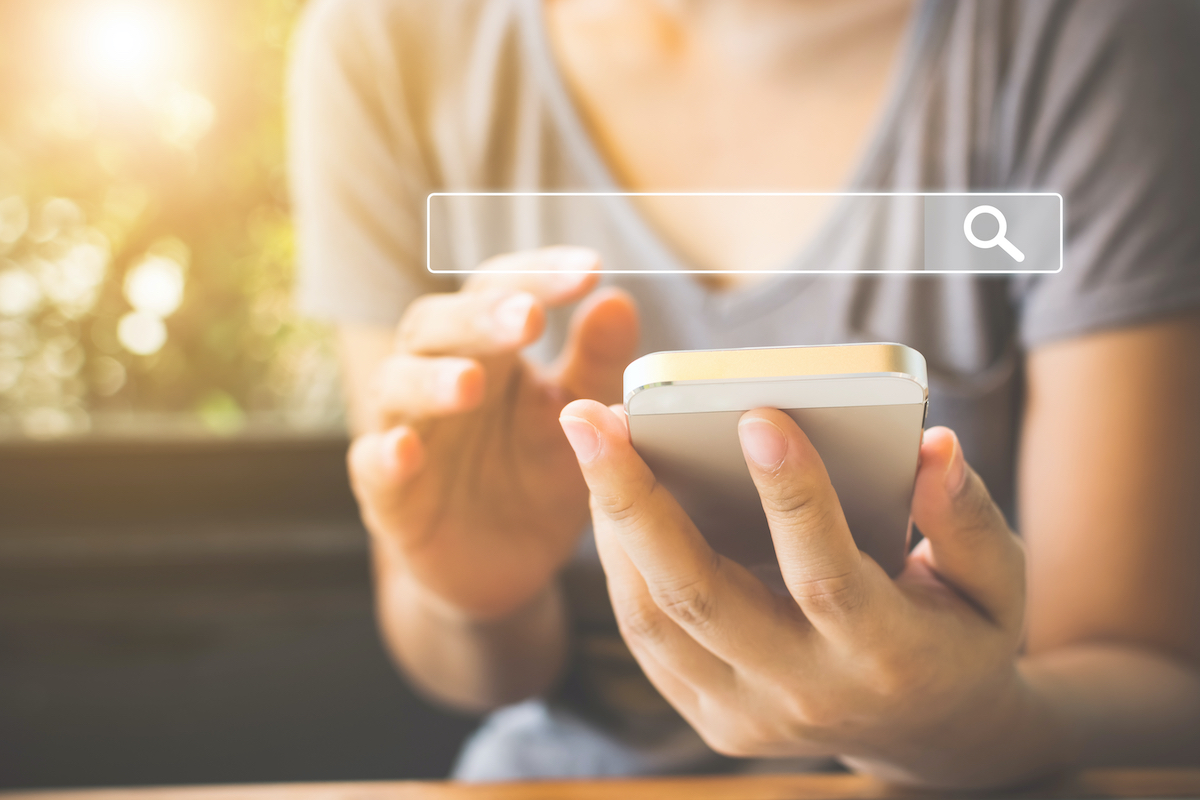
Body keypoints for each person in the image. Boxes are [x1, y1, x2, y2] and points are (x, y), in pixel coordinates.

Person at [287, 0, 1200, 787]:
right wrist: (476, 596)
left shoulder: (1085, 33)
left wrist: (966, 729)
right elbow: (464, 666)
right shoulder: (388, 45)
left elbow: (1154, 680)